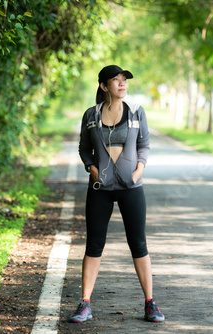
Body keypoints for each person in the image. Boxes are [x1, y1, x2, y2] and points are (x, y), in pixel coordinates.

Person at [69, 65, 164, 323]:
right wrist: (92, 169)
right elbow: (84, 148)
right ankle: (85, 304)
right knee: (94, 245)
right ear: (103, 86)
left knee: (139, 244)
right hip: (100, 188)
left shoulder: (136, 113)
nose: (122, 84)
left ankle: (150, 304)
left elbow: (144, 145)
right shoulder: (91, 115)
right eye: (116, 80)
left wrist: (138, 172)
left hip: (131, 188)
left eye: (124, 80)